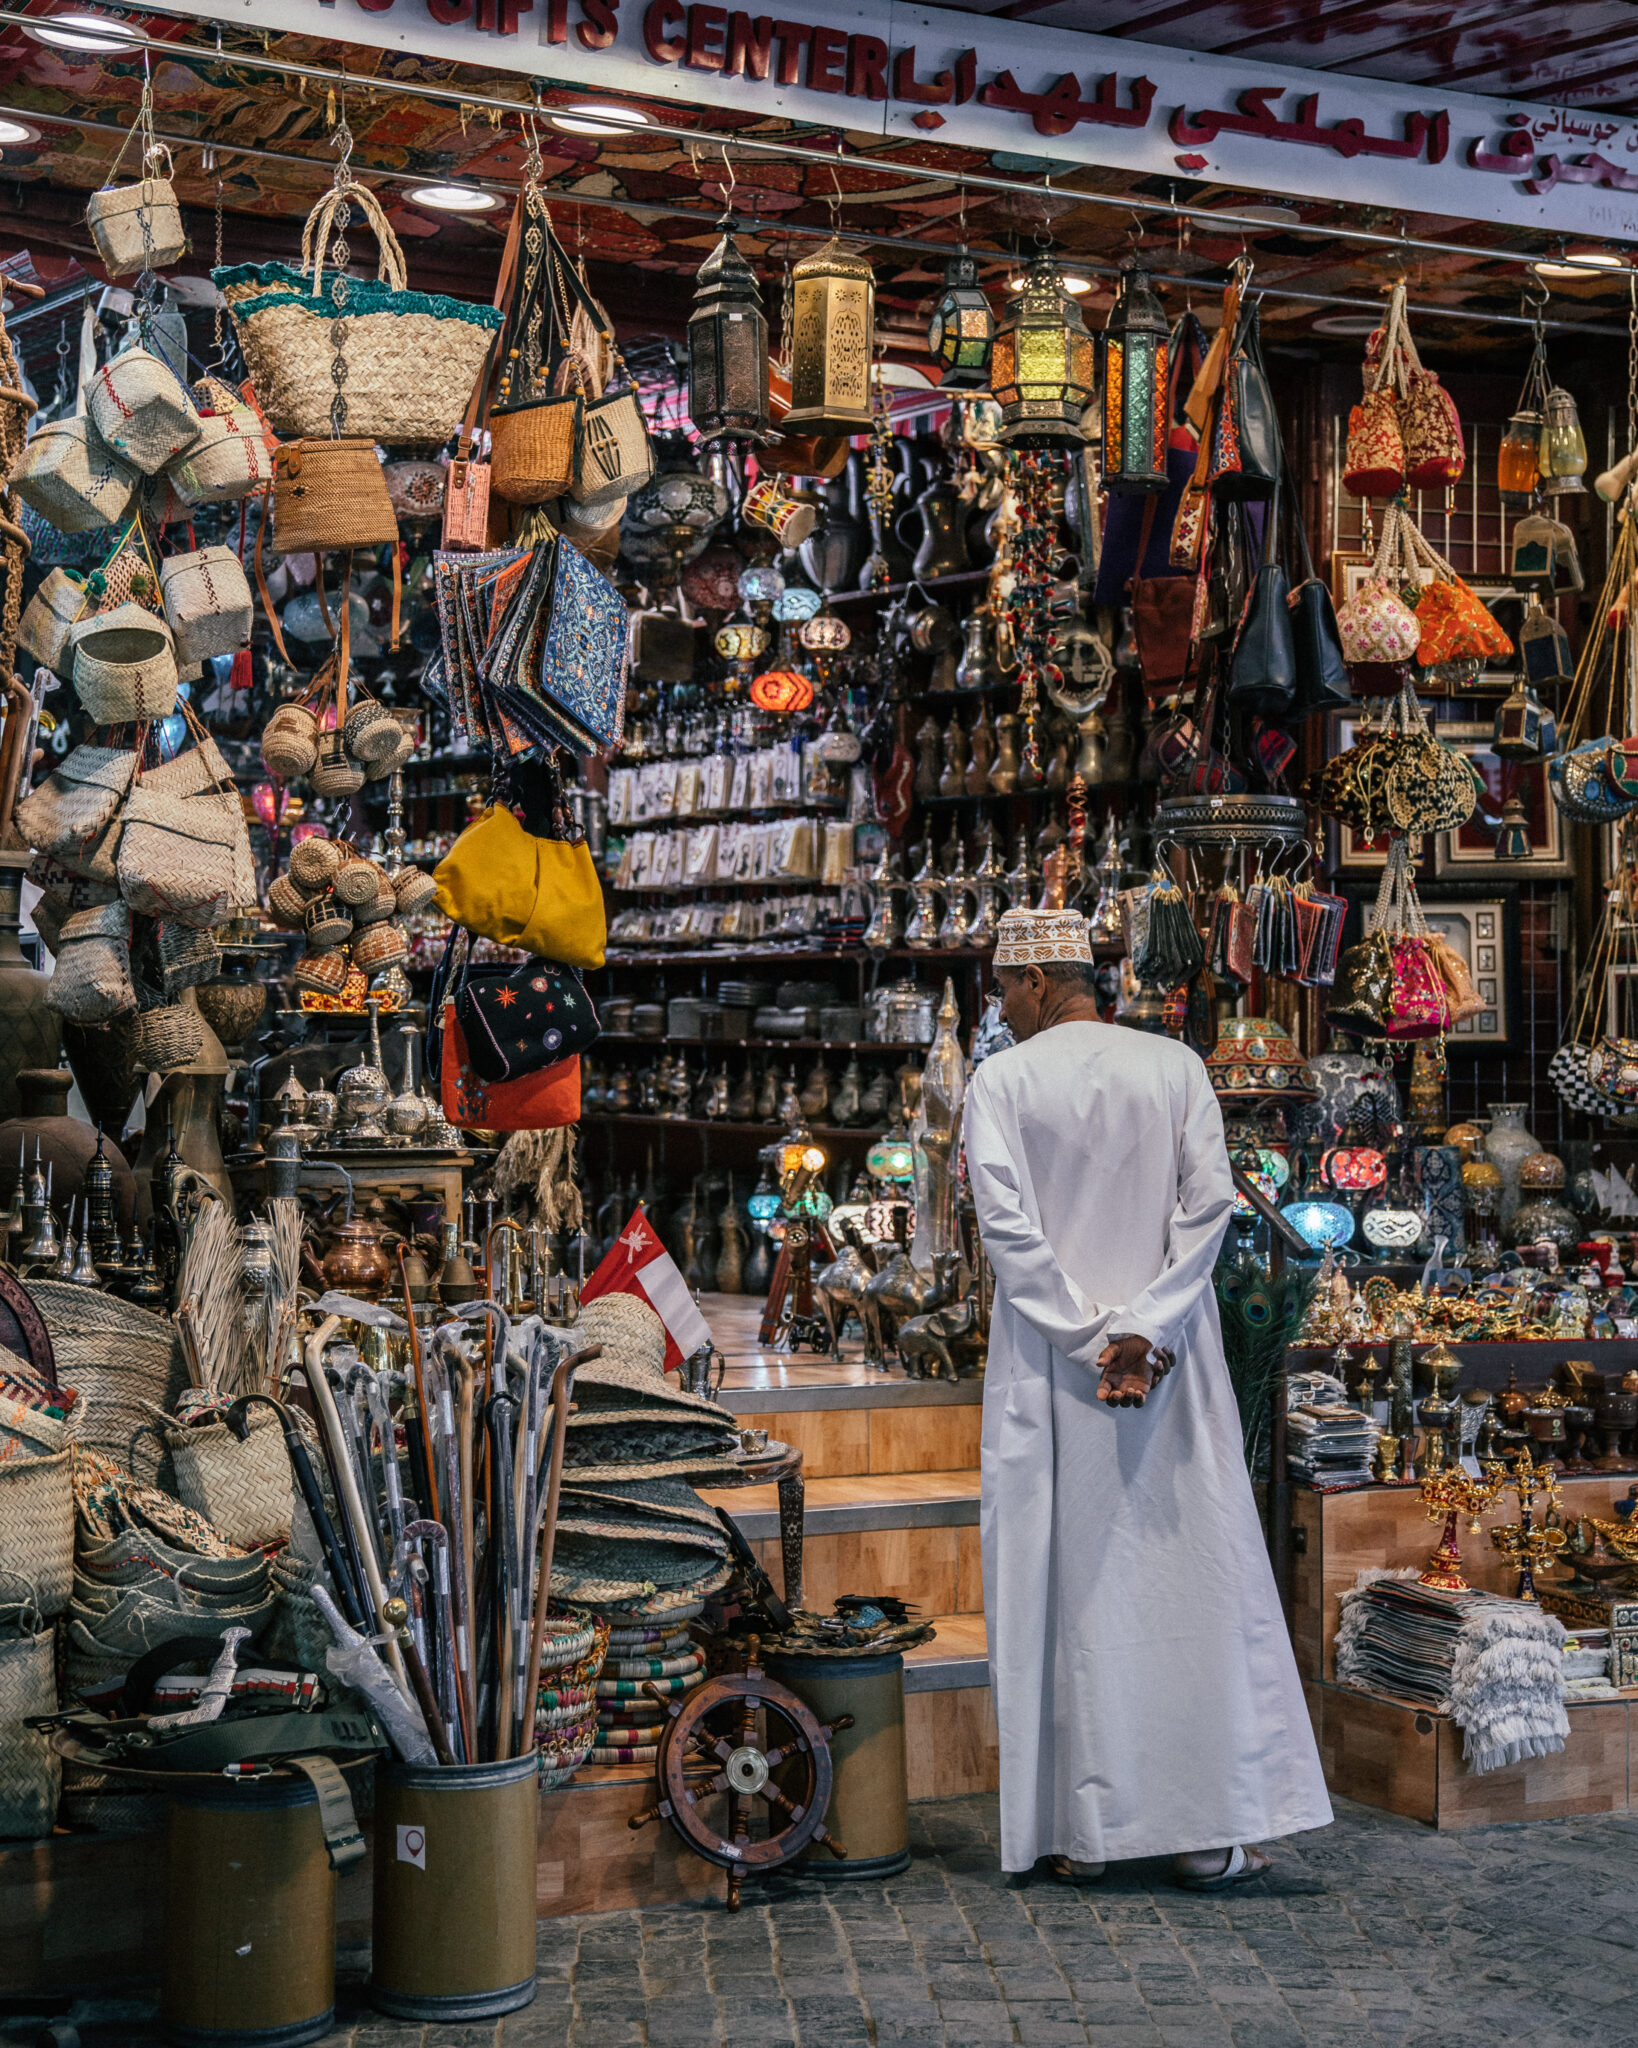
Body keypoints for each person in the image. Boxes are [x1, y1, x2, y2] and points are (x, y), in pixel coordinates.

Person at [963, 906, 1332, 1888]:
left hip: (1053, 1378)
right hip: (1167, 1372)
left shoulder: (1000, 1080)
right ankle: (1205, 1831)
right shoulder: (1174, 1067)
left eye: (1003, 987)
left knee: (1063, 1589)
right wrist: (1144, 1332)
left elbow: (1009, 1232)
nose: (1000, 1006)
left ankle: (1075, 1832)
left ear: (1039, 979)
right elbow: (1209, 1207)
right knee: (1181, 1587)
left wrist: (1089, 1339)